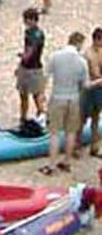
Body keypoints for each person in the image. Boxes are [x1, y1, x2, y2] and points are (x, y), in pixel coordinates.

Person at [42, 32, 89, 175]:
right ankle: (67, 162)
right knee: (71, 132)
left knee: (54, 133)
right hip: (73, 97)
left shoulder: (55, 56)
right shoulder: (81, 61)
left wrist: (43, 94)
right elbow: (85, 85)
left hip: (58, 96)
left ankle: (51, 165)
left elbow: (46, 76)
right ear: (79, 44)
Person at [16, 7, 47, 126]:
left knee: (34, 95)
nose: (25, 22)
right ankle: (26, 117)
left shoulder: (35, 34)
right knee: (28, 94)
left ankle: (39, 116)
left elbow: (31, 50)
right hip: (30, 67)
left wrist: (24, 57)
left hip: (32, 68)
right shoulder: (31, 32)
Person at [83, 27, 102, 157]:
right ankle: (90, 146)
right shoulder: (88, 54)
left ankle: (95, 146)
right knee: (88, 117)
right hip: (92, 88)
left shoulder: (100, 51)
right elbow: (94, 74)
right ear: (95, 40)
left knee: (96, 117)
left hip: (98, 86)